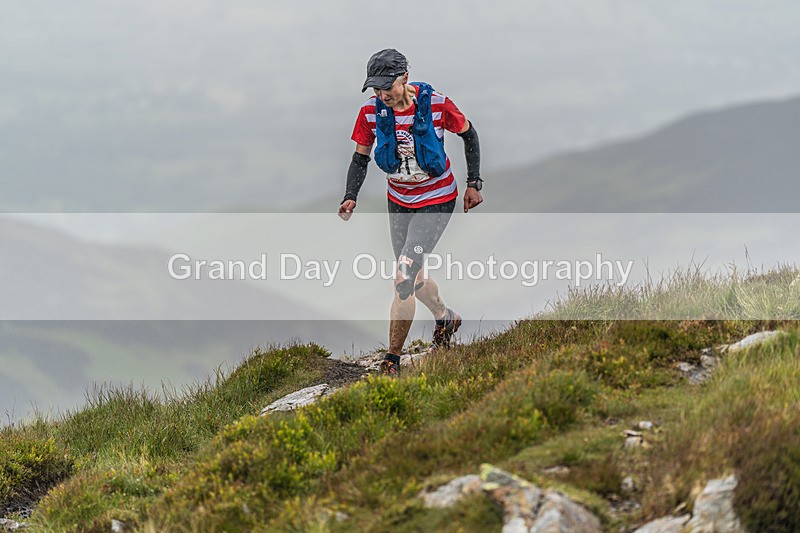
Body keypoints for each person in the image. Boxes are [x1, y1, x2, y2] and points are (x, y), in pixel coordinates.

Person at [338, 48, 483, 376]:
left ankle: (392, 360)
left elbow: (468, 133)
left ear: (404, 77)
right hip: (399, 202)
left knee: (402, 278)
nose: (382, 94)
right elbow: (360, 157)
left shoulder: (436, 103)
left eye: (387, 87)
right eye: (376, 88)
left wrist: (474, 182)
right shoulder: (370, 112)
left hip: (437, 201)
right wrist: (351, 195)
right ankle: (446, 318)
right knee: (414, 278)